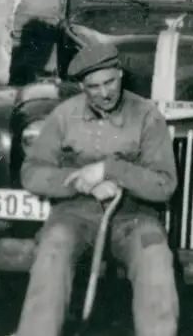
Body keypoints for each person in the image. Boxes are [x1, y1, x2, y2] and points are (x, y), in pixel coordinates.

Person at [16, 40, 179, 336]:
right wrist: (82, 181)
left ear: (120, 74)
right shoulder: (64, 116)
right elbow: (31, 174)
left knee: (156, 258)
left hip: (134, 219)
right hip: (74, 216)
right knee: (52, 253)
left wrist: (111, 169)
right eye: (94, 87)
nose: (104, 93)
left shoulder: (146, 115)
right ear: (81, 86)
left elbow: (164, 185)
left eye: (110, 82)